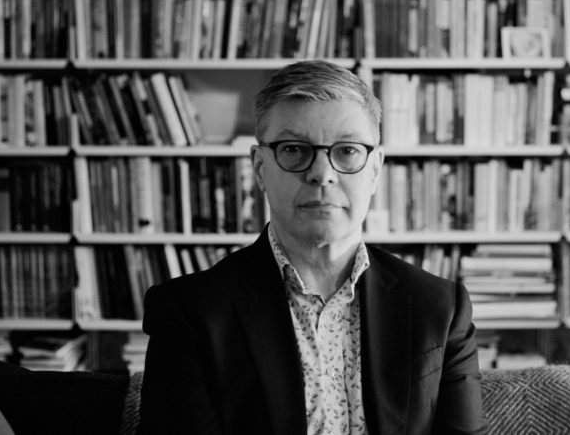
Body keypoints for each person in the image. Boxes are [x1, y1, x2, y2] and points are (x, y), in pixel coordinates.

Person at [138, 60, 488, 435]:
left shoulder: (440, 307)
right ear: (259, 169)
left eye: (348, 151)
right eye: (293, 149)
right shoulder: (188, 313)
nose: (322, 173)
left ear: (375, 170)